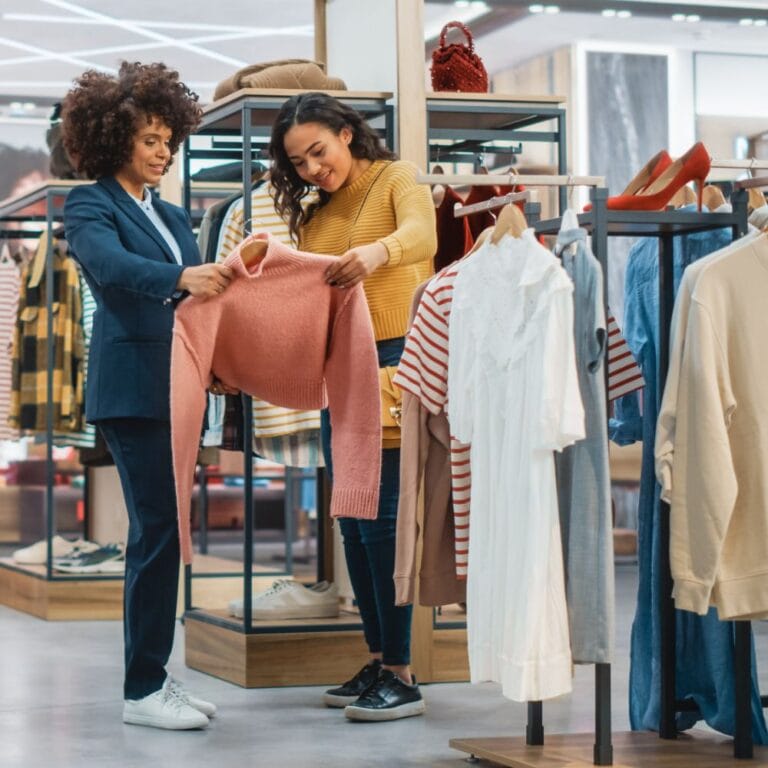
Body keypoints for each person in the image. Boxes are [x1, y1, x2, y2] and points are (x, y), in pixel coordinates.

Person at [61, 61, 234, 731]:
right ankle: (141, 690)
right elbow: (110, 267)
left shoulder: (166, 211)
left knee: (169, 532)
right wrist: (183, 274)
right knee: (157, 532)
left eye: (168, 140)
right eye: (149, 140)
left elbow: (194, 305)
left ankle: (158, 675)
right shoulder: (90, 202)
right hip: (133, 391)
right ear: (113, 140)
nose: (162, 153)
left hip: (180, 385)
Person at [269, 92, 437, 721]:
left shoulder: (395, 178)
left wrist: (377, 253)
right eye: (299, 162)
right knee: (351, 517)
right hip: (340, 367)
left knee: (385, 518)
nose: (313, 168)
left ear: (346, 133)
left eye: (319, 151)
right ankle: (379, 655)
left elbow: (422, 237)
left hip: (394, 361)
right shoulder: (314, 214)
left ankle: (402, 670)